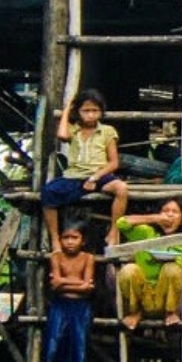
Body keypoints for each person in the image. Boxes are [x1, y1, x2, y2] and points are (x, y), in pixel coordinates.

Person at [42, 89, 130, 247]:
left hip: (100, 175)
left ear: (101, 112)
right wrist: (68, 108)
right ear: (78, 112)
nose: (90, 115)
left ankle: (114, 232)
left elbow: (113, 163)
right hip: (74, 176)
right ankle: (55, 239)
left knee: (121, 188)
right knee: (48, 192)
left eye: (95, 111)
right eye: (86, 110)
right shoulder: (74, 129)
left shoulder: (107, 131)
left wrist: (94, 177)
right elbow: (62, 135)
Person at [42, 221, 97, 362]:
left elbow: (87, 286)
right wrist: (78, 284)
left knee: (78, 340)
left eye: (75, 237)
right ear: (59, 239)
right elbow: (56, 285)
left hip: (81, 305)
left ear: (83, 240)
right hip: (61, 303)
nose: (70, 242)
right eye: (66, 238)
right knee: (56, 338)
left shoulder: (88, 258)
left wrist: (64, 282)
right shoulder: (56, 257)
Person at [115, 198, 182, 330]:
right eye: (165, 211)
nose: (169, 215)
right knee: (129, 270)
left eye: (175, 212)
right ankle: (135, 312)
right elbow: (121, 223)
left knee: (172, 269)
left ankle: (171, 313)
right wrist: (154, 218)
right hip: (143, 295)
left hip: (168, 297)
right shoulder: (147, 233)